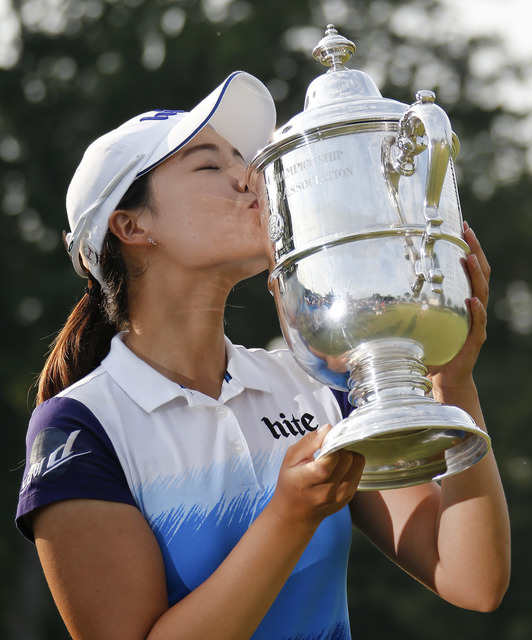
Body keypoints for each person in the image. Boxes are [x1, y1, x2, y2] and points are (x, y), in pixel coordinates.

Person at [16, 70, 510, 640]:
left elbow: (473, 580)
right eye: (210, 165)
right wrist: (289, 517)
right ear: (130, 225)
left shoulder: (309, 384)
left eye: (241, 160)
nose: (250, 178)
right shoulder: (79, 428)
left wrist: (455, 385)